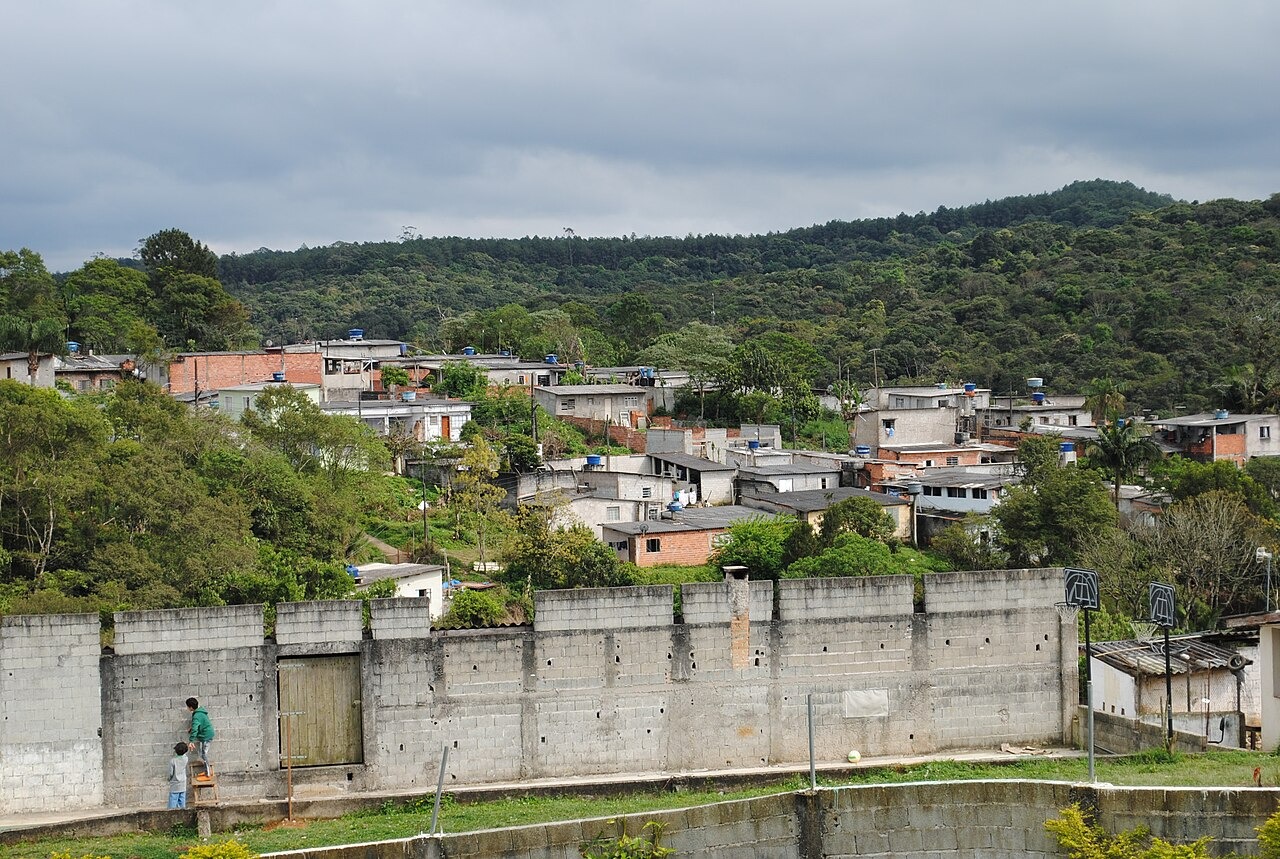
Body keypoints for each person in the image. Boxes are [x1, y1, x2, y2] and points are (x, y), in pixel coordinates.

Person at [185, 697, 215, 780]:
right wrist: (192, 728)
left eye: (187, 706)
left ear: (191, 707)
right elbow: (199, 723)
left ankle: (208, 774)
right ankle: (206, 771)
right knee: (202, 753)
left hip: (206, 736)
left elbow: (195, 728)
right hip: (206, 734)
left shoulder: (197, 715)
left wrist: (191, 741)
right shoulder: (200, 712)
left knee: (203, 754)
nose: (187, 708)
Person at [167, 741, 189, 809]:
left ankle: (171, 814)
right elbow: (184, 755)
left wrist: (169, 779)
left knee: (173, 800)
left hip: (175, 783)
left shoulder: (173, 760)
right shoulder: (186, 759)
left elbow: (170, 773)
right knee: (182, 800)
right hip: (183, 782)